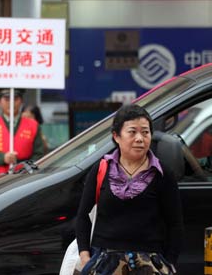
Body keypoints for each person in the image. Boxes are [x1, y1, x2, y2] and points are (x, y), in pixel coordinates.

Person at [75, 104, 183, 274]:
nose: (140, 138)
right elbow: (82, 217)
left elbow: (175, 225)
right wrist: (85, 257)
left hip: (149, 264)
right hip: (105, 263)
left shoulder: (163, 174)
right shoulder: (100, 170)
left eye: (145, 132)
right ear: (116, 136)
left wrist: (168, 264)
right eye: (132, 132)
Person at [0, 88, 45, 179]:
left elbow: (39, 155)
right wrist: (3, 158)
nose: (11, 103)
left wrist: (24, 167)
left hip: (24, 178)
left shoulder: (33, 125)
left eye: (15, 99)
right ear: (0, 102)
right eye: (7, 99)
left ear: (21, 101)